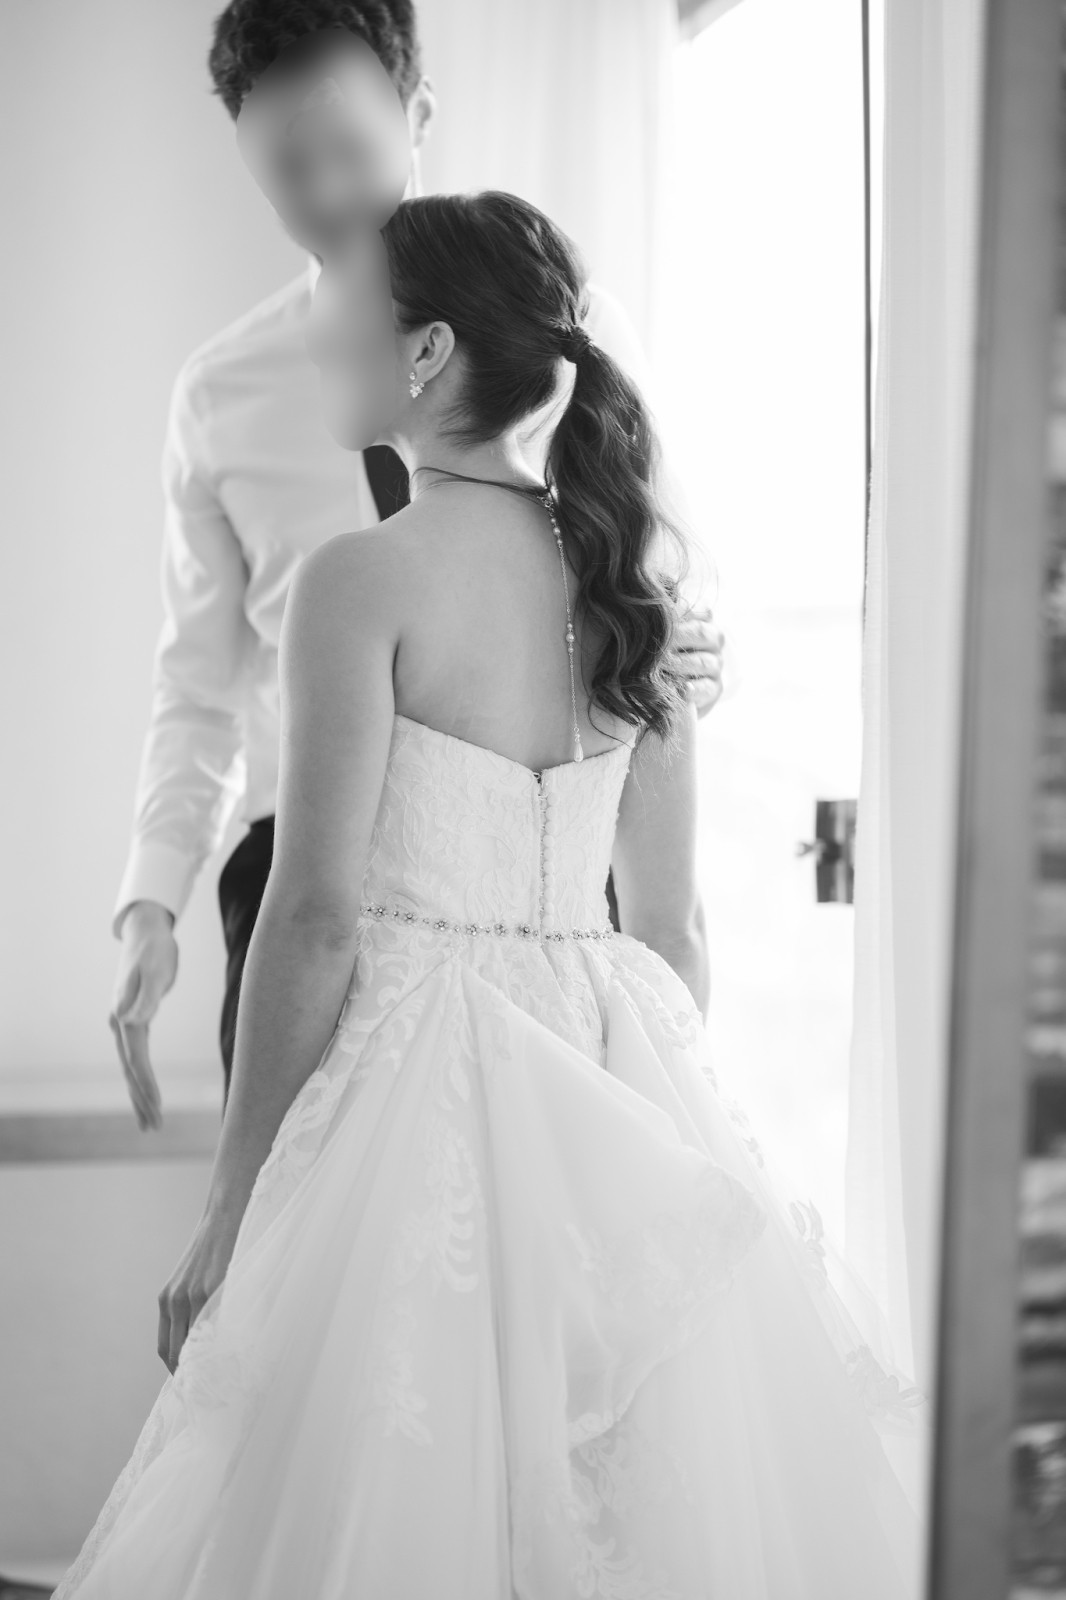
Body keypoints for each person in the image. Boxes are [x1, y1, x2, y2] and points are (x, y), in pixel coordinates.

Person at [56, 187, 927, 1600]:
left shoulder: (362, 580)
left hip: (410, 1082)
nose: (318, 342)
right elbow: (670, 928)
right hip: (610, 1057)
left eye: (343, 317)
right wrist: (644, 1140)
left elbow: (314, 916)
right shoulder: (634, 584)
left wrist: (230, 1207)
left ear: (426, 354)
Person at [108, 0, 729, 1130]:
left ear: (418, 113)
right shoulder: (221, 393)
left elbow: (665, 581)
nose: (326, 195)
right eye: (287, 168)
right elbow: (198, 680)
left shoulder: (566, 327)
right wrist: (152, 898)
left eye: (347, 149)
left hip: (547, 876)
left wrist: (689, 656)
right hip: (298, 864)